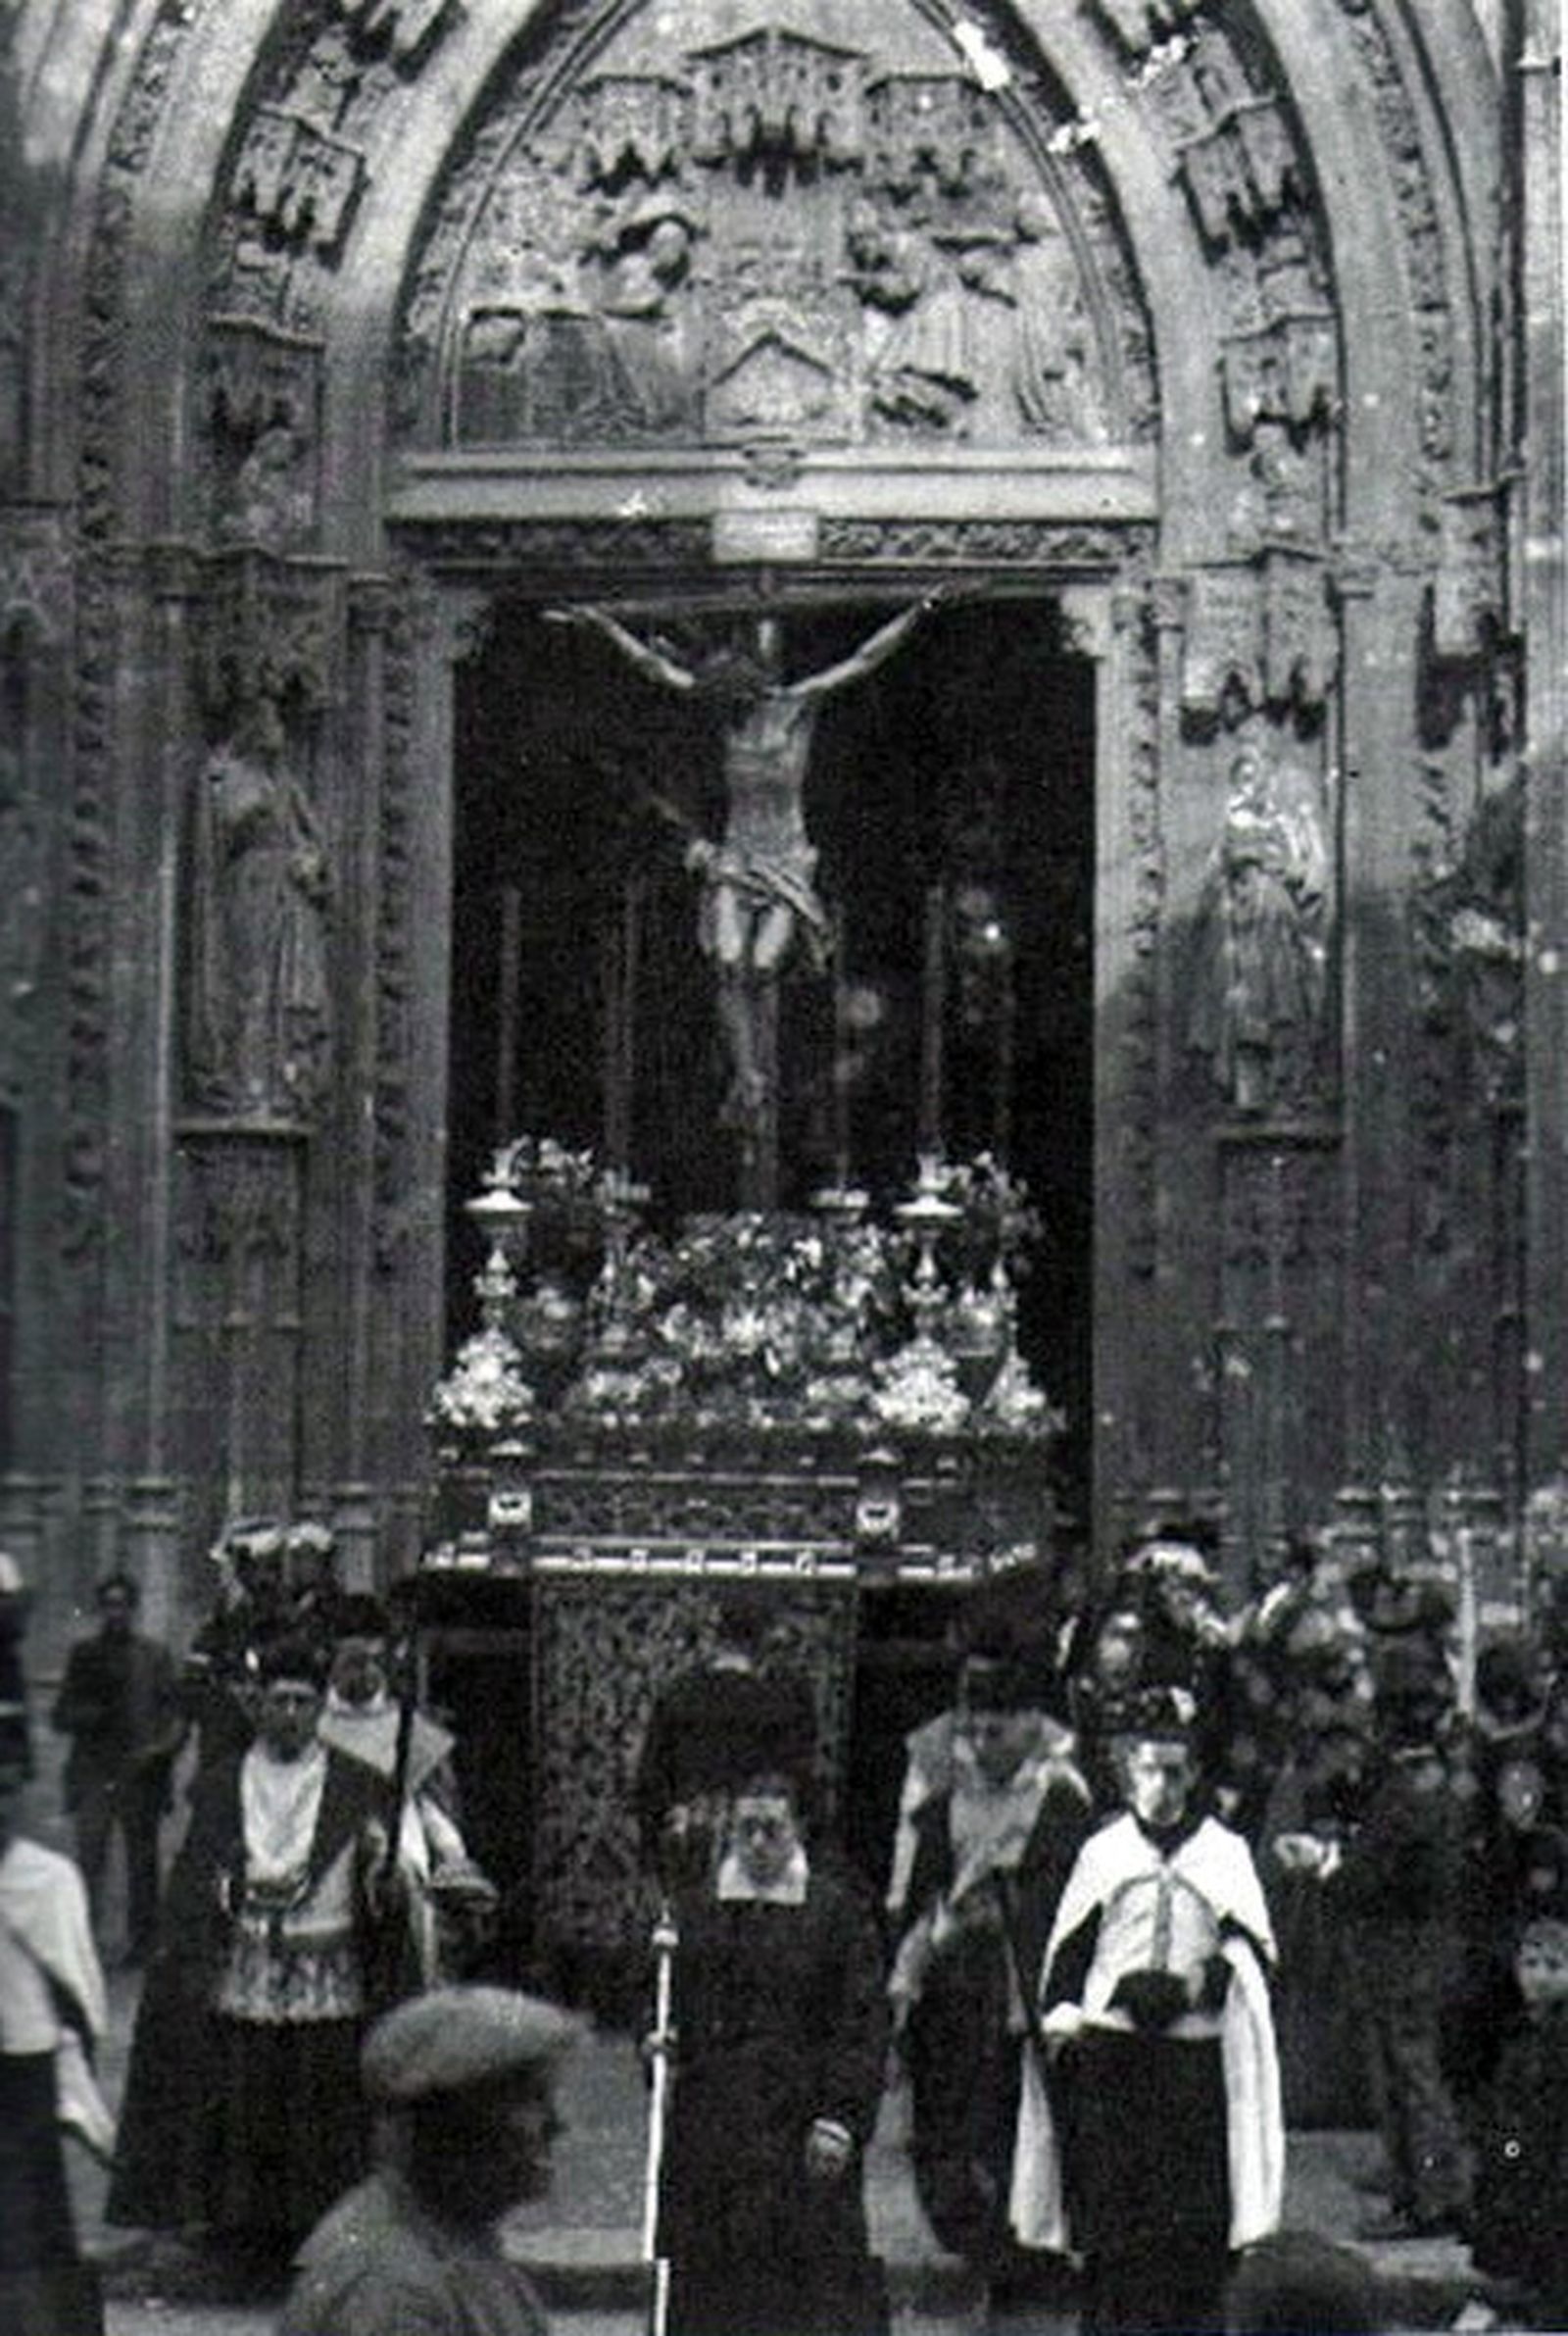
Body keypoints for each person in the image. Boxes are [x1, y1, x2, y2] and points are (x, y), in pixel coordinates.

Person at [546, 594, 946, 1127]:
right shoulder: (722, 715)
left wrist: (919, 609)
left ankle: (756, 1076)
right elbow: (653, 667)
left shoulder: (796, 705)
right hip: (736, 858)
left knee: (761, 966)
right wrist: (602, 624)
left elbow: (865, 659)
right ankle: (749, 1077)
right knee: (730, 961)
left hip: (786, 862)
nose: (725, 704)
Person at [107, 1633, 419, 2288]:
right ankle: (244, 2240)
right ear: (260, 1706)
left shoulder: (356, 1783)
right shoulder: (222, 1783)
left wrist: (383, 1882)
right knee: (249, 2101)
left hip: (326, 1969)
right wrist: (219, 1896)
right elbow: (197, 1871)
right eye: (279, 1700)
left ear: (317, 1709)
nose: (290, 1715)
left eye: (303, 1702)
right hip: (247, 1966)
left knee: (319, 2104)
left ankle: (320, 2237)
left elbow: (386, 1864)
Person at [1011, 1688, 1284, 2336]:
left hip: (1192, 2062)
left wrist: (1198, 1983)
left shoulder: (1224, 1851)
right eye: (1147, 1767)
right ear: (1128, 1768)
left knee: (1191, 2228)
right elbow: (1068, 1959)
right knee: (1116, 2226)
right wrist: (1068, 2023)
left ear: (1193, 1773)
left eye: (1174, 1768)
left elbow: (1253, 1952)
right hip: (1116, 2059)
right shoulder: (1104, 1852)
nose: (1160, 1782)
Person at [656, 1766, 890, 2335]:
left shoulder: (835, 1914)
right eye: (747, 1830)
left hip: (800, 2128)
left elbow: (862, 2022)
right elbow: (672, 2004)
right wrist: (660, 2042)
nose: (759, 1843)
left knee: (804, 2287)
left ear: (798, 1833)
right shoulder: (699, 1908)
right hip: (715, 2130)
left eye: (772, 1830)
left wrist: (840, 2117)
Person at [890, 1650, 1092, 2304]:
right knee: (948, 2132)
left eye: (995, 1731)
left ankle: (1022, 2267)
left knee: (1021, 2138)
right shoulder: (943, 1803)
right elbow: (922, 1896)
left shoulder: (1063, 1804)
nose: (980, 1745)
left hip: (1025, 2001)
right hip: (956, 1995)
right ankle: (984, 2252)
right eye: (971, 1731)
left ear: (1031, 1725)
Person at [1276, 1652, 1471, 2240]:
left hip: (1401, 1948)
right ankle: (1423, 2184)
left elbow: (1376, 1873)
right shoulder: (1420, 1776)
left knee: (1406, 2075)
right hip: (1411, 1946)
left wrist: (1325, 1863)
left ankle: (1431, 2197)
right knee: (1407, 2072)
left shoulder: (1406, 1786)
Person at [277, 1983, 581, 2336]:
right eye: (528, 2099)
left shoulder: (453, 2242)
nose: (557, 2123)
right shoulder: (389, 2288)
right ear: (448, 2123)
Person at [0, 1704, 113, 2336]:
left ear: (16, 1784)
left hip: (25, 2080)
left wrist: (73, 2079)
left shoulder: (47, 1882)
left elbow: (82, 1996)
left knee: (31, 2244)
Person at [186, 691, 333, 1118]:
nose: (280, 732)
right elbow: (221, 830)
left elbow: (315, 839)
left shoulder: (283, 782)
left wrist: (311, 861)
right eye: (270, 722)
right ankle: (244, 1084)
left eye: (281, 723)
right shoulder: (221, 774)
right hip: (247, 892)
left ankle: (279, 1086)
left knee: (284, 991)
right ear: (250, 725)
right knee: (248, 984)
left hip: (286, 898)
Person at [632, 1584, 818, 1892]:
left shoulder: (679, 1692)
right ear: (764, 1637)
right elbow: (801, 1782)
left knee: (692, 1929)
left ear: (717, 1633)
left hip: (693, 1839)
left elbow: (650, 1784)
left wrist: (658, 1845)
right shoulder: (787, 1698)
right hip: (762, 1841)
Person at [50, 1568, 184, 1963]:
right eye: (108, 1605)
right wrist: (90, 1714)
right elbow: (62, 1714)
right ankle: (84, 1942)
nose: (116, 1613)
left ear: (134, 1609)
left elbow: (174, 1712)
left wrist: (162, 1751)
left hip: (140, 1773)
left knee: (142, 1864)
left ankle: (142, 1941)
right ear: (99, 1610)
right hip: (94, 1772)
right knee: (90, 1859)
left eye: (123, 1605)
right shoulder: (84, 1655)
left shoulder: (154, 1656)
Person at [1468, 1873, 1568, 2328]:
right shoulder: (1518, 2029)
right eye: (1531, 1964)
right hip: (1518, 2151)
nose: (1539, 1977)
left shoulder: (1555, 2038)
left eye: (1553, 1966)